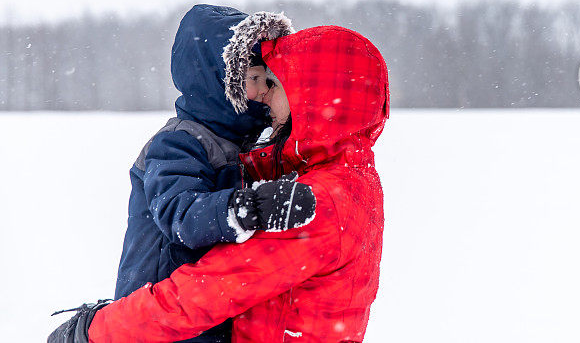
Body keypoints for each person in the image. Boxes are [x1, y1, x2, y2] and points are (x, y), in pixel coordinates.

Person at [52, 24, 390, 343]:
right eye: (257, 80)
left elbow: (204, 293)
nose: (265, 97)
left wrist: (96, 330)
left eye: (275, 84)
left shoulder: (319, 199)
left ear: (311, 96)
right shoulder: (347, 178)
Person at [111, 4, 317, 343]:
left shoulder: (240, 145)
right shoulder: (178, 142)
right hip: (159, 316)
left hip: (200, 313)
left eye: (268, 79)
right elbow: (182, 215)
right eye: (253, 79)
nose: (264, 90)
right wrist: (245, 208)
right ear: (219, 84)